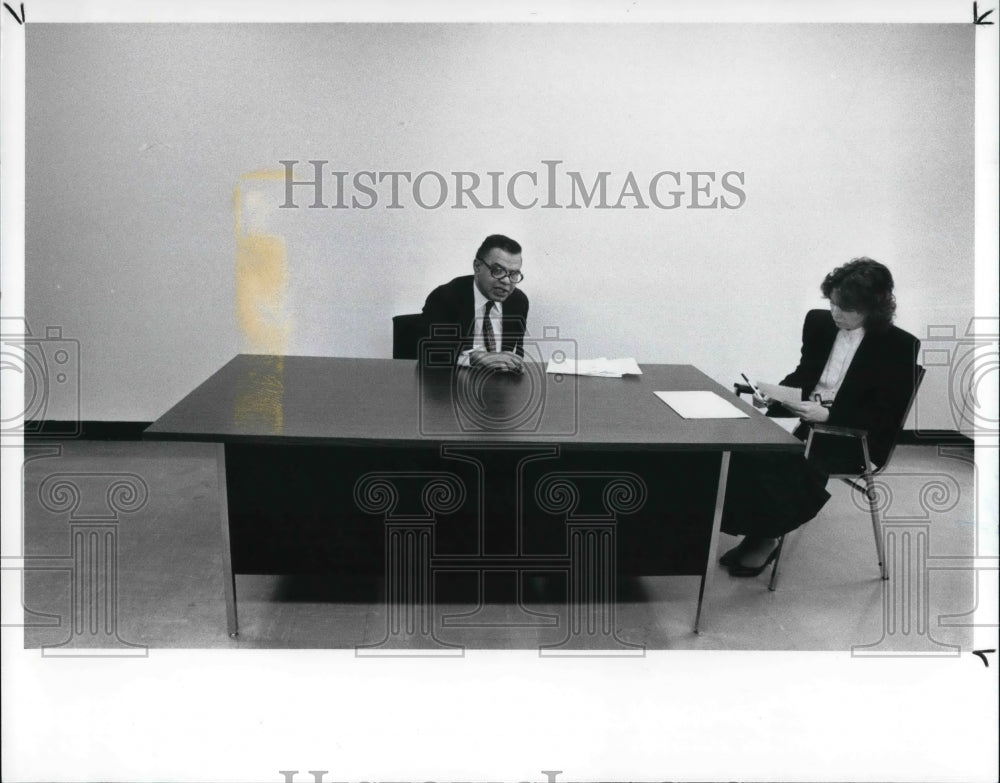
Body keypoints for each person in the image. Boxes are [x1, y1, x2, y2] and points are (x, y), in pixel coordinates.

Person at [720, 257, 920, 576]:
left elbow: (884, 415)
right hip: (807, 416)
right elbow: (805, 373)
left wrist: (827, 414)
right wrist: (776, 394)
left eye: (847, 308)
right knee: (743, 447)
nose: (836, 313)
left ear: (873, 308)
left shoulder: (898, 346)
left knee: (779, 460)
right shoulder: (819, 323)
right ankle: (756, 530)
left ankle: (766, 537)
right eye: (833, 303)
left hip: (852, 433)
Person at [422, 234, 529, 372]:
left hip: (500, 385)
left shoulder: (518, 301)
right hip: (453, 384)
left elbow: (516, 352)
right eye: (498, 270)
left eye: (514, 274)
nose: (506, 281)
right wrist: (475, 358)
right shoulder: (445, 297)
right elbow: (431, 352)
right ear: (477, 267)